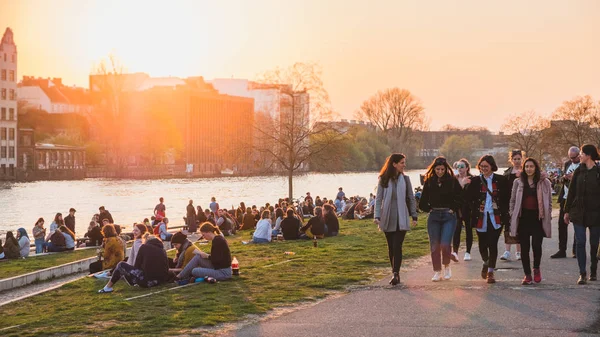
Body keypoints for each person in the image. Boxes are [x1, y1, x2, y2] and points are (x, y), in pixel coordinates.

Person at [374, 153, 419, 286]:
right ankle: (394, 271)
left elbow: (411, 197)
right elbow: (378, 199)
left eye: (404, 163)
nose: (404, 165)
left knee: (397, 245)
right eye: (402, 163)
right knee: (390, 247)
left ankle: (395, 273)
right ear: (394, 164)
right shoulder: (383, 179)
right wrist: (377, 216)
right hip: (387, 216)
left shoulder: (405, 179)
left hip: (401, 216)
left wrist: (414, 215)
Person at [465, 155, 510, 284]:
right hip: (481, 216)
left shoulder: (501, 180)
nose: (483, 168)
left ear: (492, 166)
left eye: (486, 166)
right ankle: (486, 262)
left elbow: (507, 197)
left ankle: (490, 271)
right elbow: (468, 198)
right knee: (482, 244)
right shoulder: (475, 181)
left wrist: (506, 212)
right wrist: (464, 185)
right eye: (481, 166)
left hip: (496, 217)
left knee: (492, 243)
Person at [509, 158, 552, 285]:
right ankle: (527, 274)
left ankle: (536, 269)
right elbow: (512, 200)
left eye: (531, 166)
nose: (529, 169)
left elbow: (549, 202)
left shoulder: (544, 183)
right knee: (524, 248)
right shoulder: (518, 182)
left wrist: (547, 214)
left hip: (537, 219)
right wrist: (512, 214)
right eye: (526, 166)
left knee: (536, 246)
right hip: (523, 219)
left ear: (536, 167)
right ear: (524, 168)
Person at [419, 156, 462, 281]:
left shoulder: (452, 180)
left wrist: (453, 208)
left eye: (442, 169)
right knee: (434, 245)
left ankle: (447, 266)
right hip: (434, 216)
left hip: (448, 215)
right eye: (437, 169)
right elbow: (422, 201)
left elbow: (460, 197)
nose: (440, 172)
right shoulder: (429, 181)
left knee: (445, 243)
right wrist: (429, 209)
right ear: (434, 169)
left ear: (446, 168)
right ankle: (437, 271)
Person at [564, 144, 600, 284]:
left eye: (582, 154)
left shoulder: (598, 172)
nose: (580, 156)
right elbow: (571, 192)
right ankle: (582, 273)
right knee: (580, 242)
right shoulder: (578, 171)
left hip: (595, 213)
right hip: (578, 212)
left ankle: (593, 271)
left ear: (589, 155)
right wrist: (567, 211)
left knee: (594, 243)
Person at [98, 236, 173, 293]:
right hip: (159, 281)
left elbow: (136, 266)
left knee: (121, 265)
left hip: (147, 282)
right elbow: (166, 268)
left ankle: (108, 287)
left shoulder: (144, 247)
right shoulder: (162, 250)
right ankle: (131, 282)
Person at [552, 146, 580, 258]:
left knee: (577, 224)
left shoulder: (582, 165)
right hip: (565, 197)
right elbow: (562, 181)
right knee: (561, 224)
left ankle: (576, 250)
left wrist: (573, 178)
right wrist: (565, 177)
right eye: (570, 157)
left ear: (579, 155)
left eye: (574, 157)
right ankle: (562, 250)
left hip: (576, 198)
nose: (572, 159)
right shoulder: (567, 164)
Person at [501, 150, 524, 261]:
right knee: (508, 226)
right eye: (515, 159)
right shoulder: (507, 173)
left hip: (521, 203)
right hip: (508, 203)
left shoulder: (526, 171)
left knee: (519, 227)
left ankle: (519, 252)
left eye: (519, 158)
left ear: (522, 159)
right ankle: (507, 251)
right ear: (511, 160)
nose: (517, 161)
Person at [453, 159, 474, 261]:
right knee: (456, 229)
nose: (460, 169)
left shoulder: (472, 179)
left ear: (467, 168)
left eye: (462, 167)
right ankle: (455, 252)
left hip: (468, 208)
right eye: (458, 167)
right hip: (457, 208)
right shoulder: (454, 179)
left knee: (468, 230)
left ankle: (468, 252)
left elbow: (471, 195)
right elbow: (454, 194)